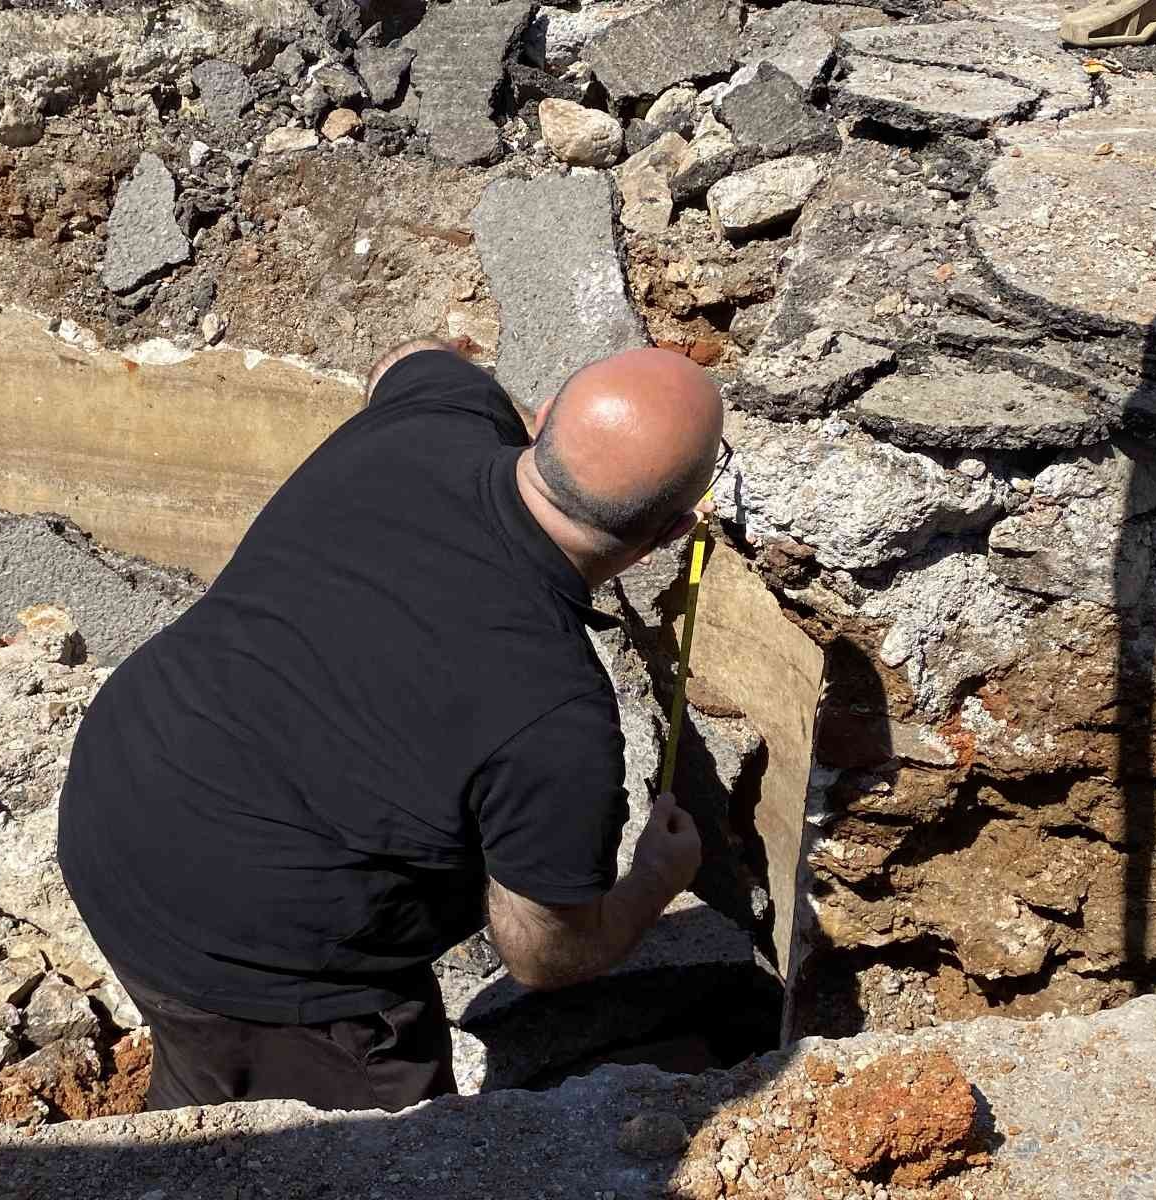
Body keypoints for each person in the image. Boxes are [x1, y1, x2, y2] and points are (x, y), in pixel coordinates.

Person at [56, 340, 725, 1113]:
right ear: (676, 533)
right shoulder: (557, 720)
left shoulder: (433, 416)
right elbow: (545, 953)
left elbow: (408, 357)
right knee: (369, 1160)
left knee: (205, 1079)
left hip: (117, 792)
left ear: (541, 418)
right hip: (259, 956)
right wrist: (651, 884)